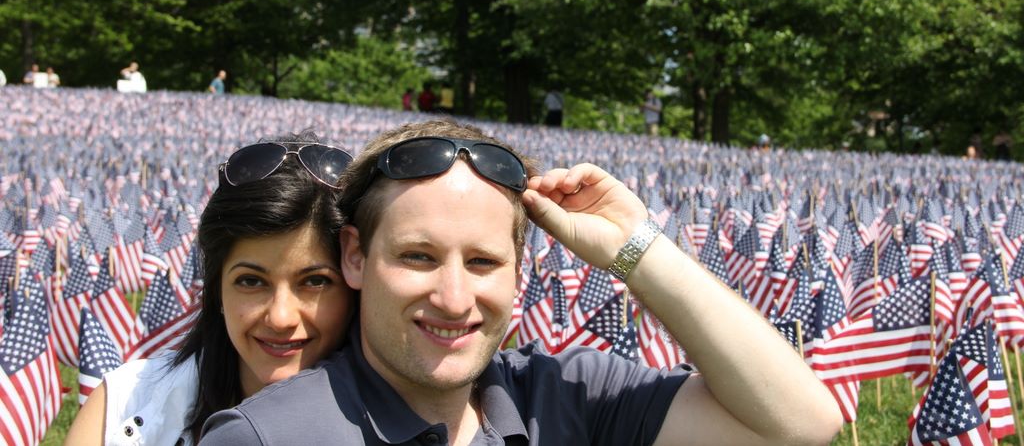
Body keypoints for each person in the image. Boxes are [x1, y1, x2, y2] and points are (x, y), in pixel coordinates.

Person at [200, 120, 842, 446]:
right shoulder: (267, 437)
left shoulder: (566, 399)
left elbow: (799, 424)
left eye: (483, 262)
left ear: (519, 271)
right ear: (356, 258)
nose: (454, 298)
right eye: (419, 257)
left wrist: (636, 248)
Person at [66, 133, 356, 446]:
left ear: (356, 284)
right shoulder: (125, 404)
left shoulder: (396, 419)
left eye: (314, 281)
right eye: (251, 281)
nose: (280, 317)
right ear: (216, 289)